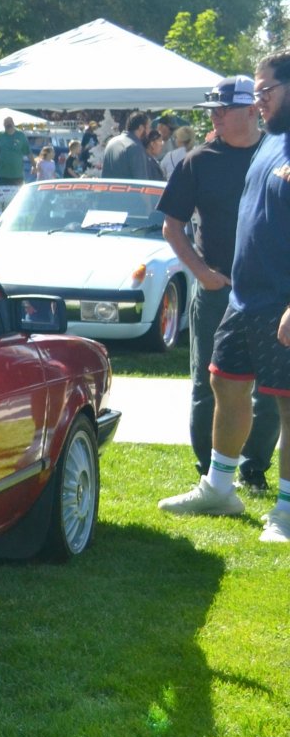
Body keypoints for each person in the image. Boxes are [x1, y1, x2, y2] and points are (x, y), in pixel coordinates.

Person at [159, 51, 290, 544]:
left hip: (283, 300)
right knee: (224, 386)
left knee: (286, 404)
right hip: (241, 299)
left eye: (266, 91)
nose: (259, 100)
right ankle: (218, 487)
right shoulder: (269, 145)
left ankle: (285, 511)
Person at [100, 112, 155, 180]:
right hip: (128, 190)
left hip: (110, 190)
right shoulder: (135, 147)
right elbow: (142, 182)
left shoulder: (111, 142)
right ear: (141, 128)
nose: (150, 131)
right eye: (149, 127)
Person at [0, 116, 31, 186]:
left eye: (10, 122)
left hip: (17, 175)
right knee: (3, 196)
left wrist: (34, 166)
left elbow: (28, 152)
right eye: (6, 123)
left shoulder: (21, 135)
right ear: (3, 125)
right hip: (2, 175)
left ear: (13, 123)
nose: (8, 124)